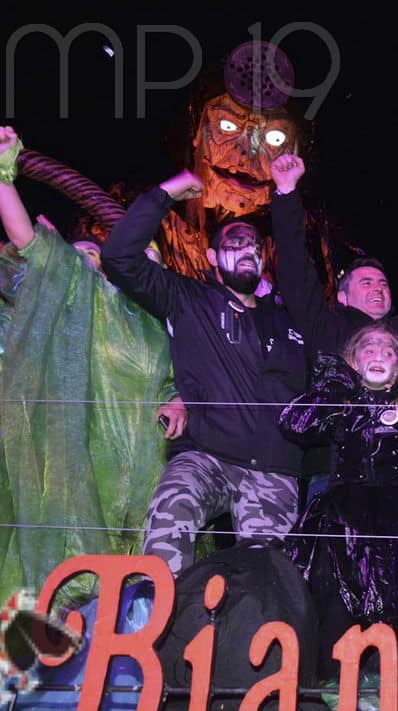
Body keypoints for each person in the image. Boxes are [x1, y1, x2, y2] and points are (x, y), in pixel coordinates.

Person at [0, 127, 179, 599]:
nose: (85, 260)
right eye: (78, 254)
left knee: (134, 589)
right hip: (78, 461)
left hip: (144, 469)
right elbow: (29, 242)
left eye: (94, 254)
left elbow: (175, 377)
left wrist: (177, 398)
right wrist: (2, 172)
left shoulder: (157, 323)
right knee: (67, 576)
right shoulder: (81, 295)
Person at [102, 169, 307, 575]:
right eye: (235, 242)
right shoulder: (188, 299)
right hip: (204, 455)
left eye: (255, 246)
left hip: (274, 467)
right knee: (167, 521)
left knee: (268, 578)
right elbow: (118, 257)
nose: (248, 250)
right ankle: (159, 631)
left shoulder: (290, 321)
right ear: (212, 257)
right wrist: (166, 191)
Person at [279, 323, 398, 682]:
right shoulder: (337, 398)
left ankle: (394, 707)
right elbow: (294, 424)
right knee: (335, 614)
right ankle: (335, 703)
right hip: (340, 524)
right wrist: (337, 385)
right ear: (352, 359)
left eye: (388, 350)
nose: (378, 353)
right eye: (368, 347)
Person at [270, 153, 398, 361]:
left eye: (383, 283)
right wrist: (286, 191)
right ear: (342, 297)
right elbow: (295, 269)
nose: (378, 288)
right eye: (366, 282)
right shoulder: (326, 328)